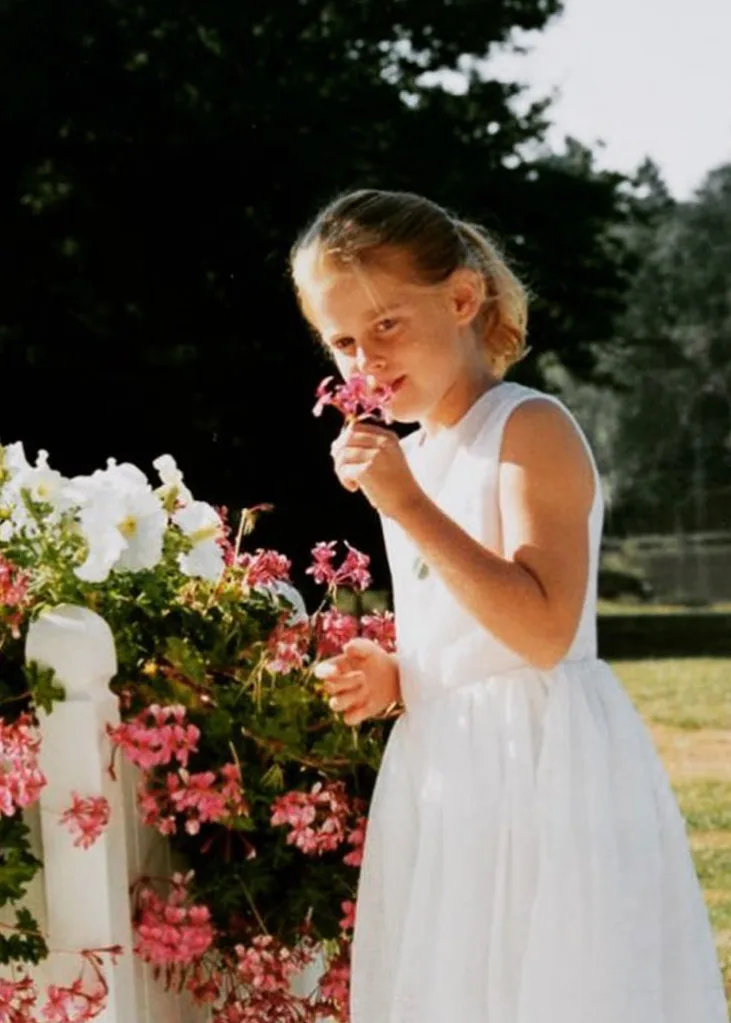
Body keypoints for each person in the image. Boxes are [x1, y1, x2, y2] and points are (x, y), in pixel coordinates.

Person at [289, 189, 728, 1023]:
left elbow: (541, 626)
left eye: (385, 325)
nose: (364, 362)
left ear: (461, 300)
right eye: (342, 341)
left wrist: (407, 506)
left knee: (554, 988)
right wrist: (400, 674)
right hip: (450, 773)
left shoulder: (528, 428)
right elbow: (465, 633)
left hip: (540, 767)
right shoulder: (413, 457)